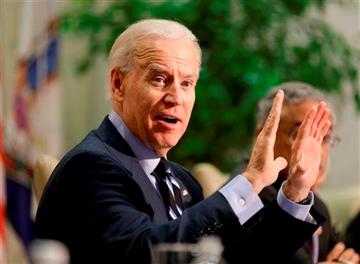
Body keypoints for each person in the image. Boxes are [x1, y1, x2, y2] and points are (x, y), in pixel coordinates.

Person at [35, 19, 331, 263]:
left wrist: (295, 191)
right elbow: (147, 253)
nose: (176, 97)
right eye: (159, 79)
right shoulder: (92, 165)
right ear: (118, 84)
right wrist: (250, 181)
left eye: (187, 83)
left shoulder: (182, 181)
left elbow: (235, 259)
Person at [233, 82, 359, 264]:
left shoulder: (316, 203)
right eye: (301, 134)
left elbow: (347, 257)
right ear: (264, 136)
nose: (318, 151)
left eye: (324, 137)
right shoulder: (243, 194)